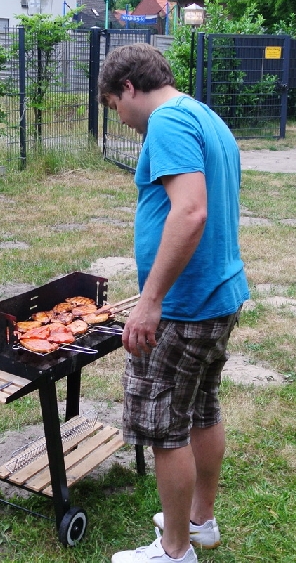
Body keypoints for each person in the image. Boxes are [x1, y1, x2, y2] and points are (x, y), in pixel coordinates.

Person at [99, 43, 249, 563]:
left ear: (128, 88)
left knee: (166, 428)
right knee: (202, 410)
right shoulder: (204, 115)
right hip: (218, 295)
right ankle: (200, 522)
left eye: (114, 106)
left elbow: (190, 213)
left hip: (185, 306)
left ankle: (175, 551)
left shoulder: (166, 123)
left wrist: (150, 301)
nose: (120, 119)